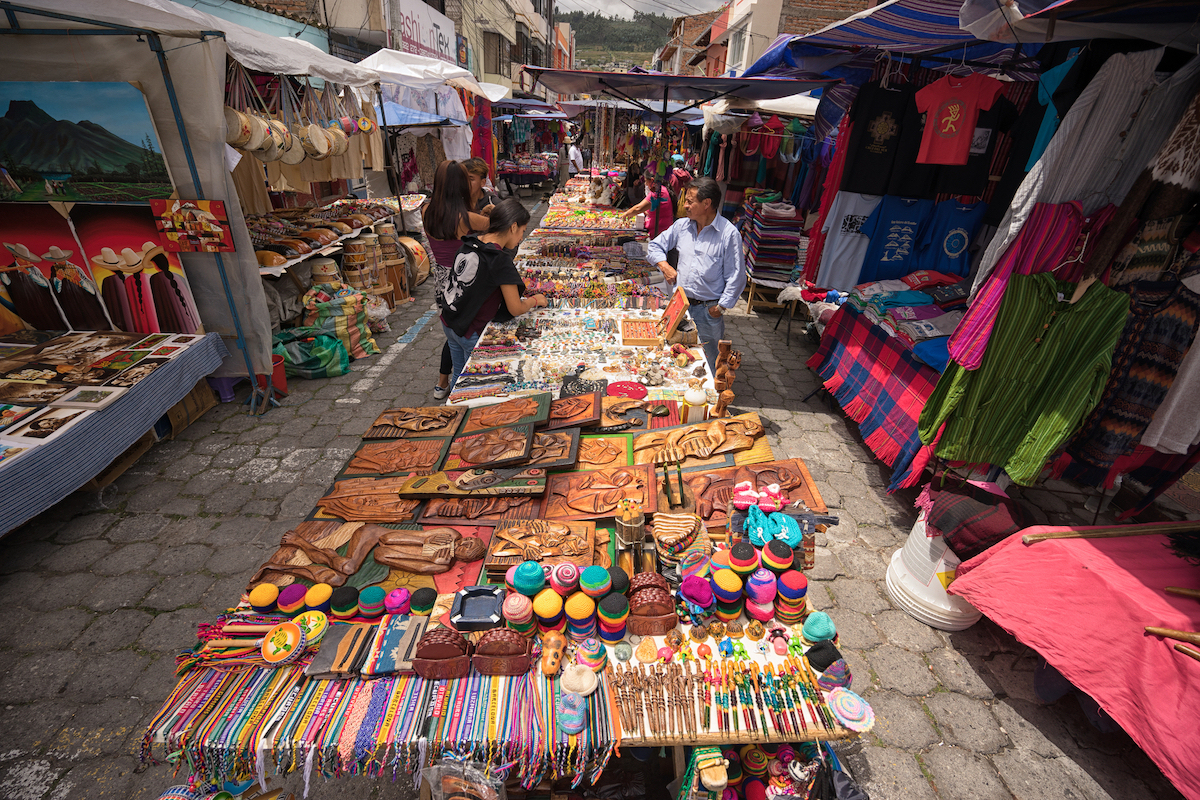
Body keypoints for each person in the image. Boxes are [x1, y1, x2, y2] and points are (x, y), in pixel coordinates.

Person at [437, 199, 547, 393]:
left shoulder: (469, 243)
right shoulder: (499, 259)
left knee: (458, 376)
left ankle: (452, 410)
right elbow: (515, 308)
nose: (522, 237)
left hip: (449, 322)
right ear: (513, 227)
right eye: (523, 231)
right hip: (470, 331)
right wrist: (535, 300)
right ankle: (465, 414)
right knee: (474, 387)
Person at [646, 176, 745, 373]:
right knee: (676, 358)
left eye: (690, 201)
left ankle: (712, 400)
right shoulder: (682, 226)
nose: (685, 205)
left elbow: (736, 276)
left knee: (707, 363)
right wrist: (664, 265)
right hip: (680, 305)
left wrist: (721, 307)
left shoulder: (728, 234)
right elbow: (655, 246)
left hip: (708, 310)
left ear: (706, 203)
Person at [424, 160, 491, 399]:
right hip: (464, 286)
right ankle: (467, 396)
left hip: (442, 283)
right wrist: (486, 215)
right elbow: (501, 223)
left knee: (453, 339)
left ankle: (454, 391)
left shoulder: (426, 211)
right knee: (468, 343)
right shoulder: (467, 218)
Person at [620, 171, 675, 241]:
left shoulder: (658, 192)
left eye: (646, 181)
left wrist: (625, 215)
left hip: (659, 235)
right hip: (659, 232)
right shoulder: (660, 189)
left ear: (652, 180)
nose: (645, 184)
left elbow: (638, 208)